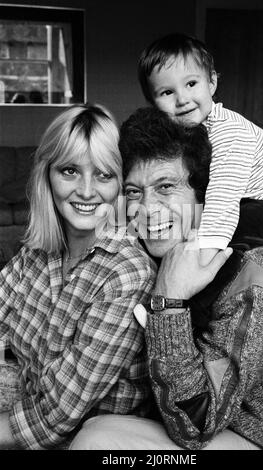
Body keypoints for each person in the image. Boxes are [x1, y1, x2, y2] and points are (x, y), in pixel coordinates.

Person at [70, 107, 263, 450]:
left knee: (98, 442)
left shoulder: (258, 273)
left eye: (166, 186)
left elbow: (195, 422)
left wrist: (169, 301)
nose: (147, 208)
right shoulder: (150, 252)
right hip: (206, 425)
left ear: (203, 196)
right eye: (134, 192)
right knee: (94, 426)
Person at [0, 103, 157, 449]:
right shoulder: (36, 253)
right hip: (24, 405)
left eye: (103, 175)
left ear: (121, 184)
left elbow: (56, 416)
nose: (86, 191)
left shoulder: (128, 272)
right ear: (47, 175)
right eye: (70, 171)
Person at [137, 32, 263, 266]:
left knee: (228, 231)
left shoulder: (229, 132)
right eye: (167, 92)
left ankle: (198, 292)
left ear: (211, 83)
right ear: (153, 102)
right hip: (246, 201)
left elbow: (222, 202)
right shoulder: (183, 135)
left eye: (191, 84)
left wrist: (198, 260)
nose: (182, 99)